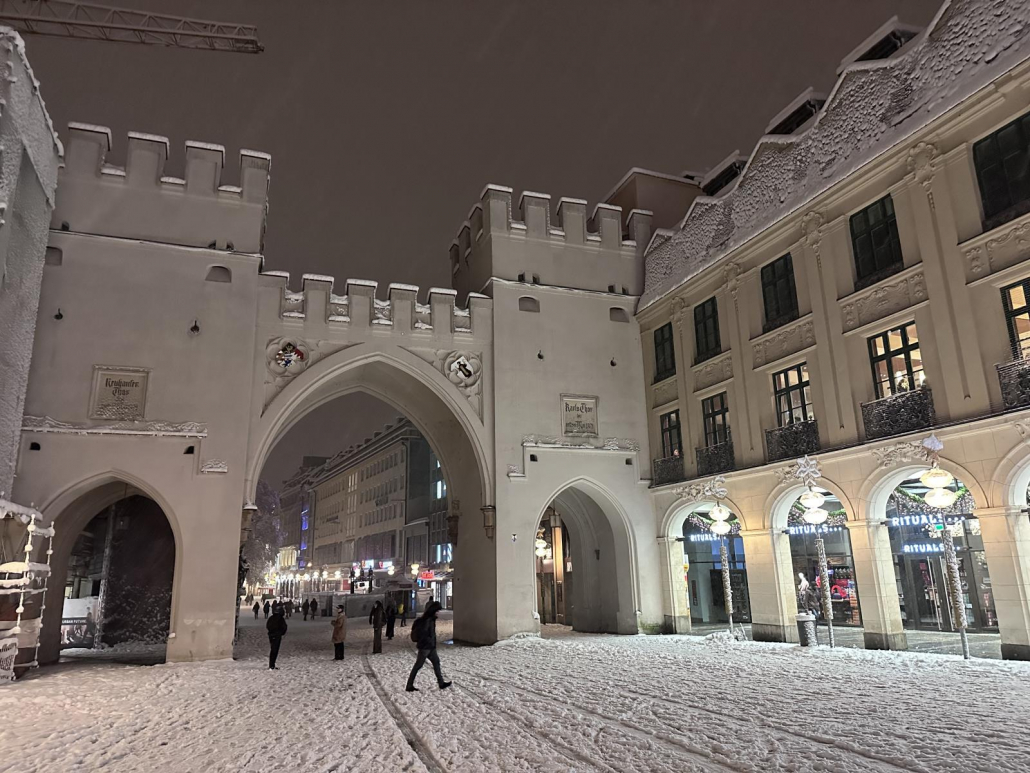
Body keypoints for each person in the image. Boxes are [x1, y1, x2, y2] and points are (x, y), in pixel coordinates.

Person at [406, 600, 451, 692]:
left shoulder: (431, 620)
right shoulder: (427, 621)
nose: (438, 613)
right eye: (437, 611)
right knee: (418, 666)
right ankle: (409, 685)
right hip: (425, 647)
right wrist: (428, 643)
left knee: (436, 663)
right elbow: (424, 634)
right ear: (433, 611)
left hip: (430, 647)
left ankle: (441, 683)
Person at [267, 605, 287, 669]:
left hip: (271, 635)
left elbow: (268, 626)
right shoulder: (281, 619)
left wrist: (271, 631)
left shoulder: (271, 618)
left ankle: (272, 664)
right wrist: (281, 633)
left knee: (273, 649)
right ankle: (272, 665)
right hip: (277, 635)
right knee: (275, 650)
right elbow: (284, 627)